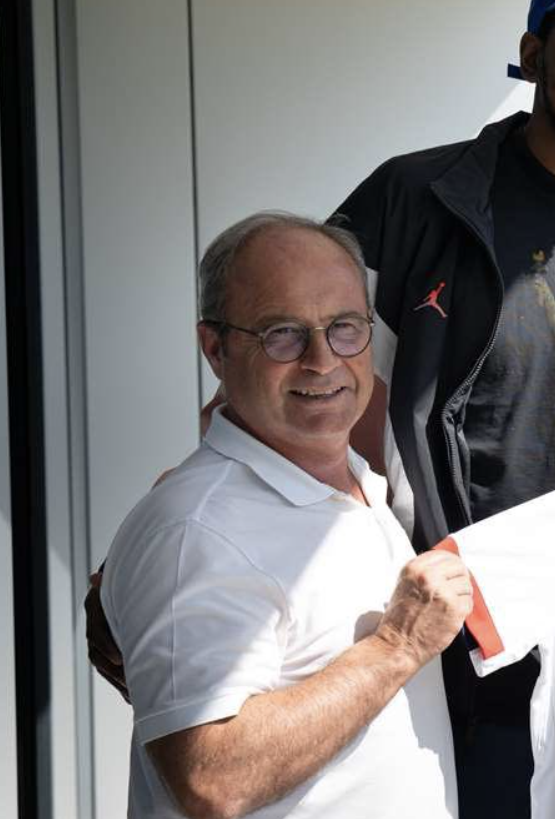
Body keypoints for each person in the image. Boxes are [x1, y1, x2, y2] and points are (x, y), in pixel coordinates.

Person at [88, 0, 555, 819]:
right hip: (444, 668)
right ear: (533, 54)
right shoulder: (415, 198)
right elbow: (286, 366)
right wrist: (157, 563)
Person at [101, 212, 472, 818]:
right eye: (283, 334)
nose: (322, 361)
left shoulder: (359, 485)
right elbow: (212, 777)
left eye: (345, 328)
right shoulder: (196, 527)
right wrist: (398, 646)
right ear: (215, 348)